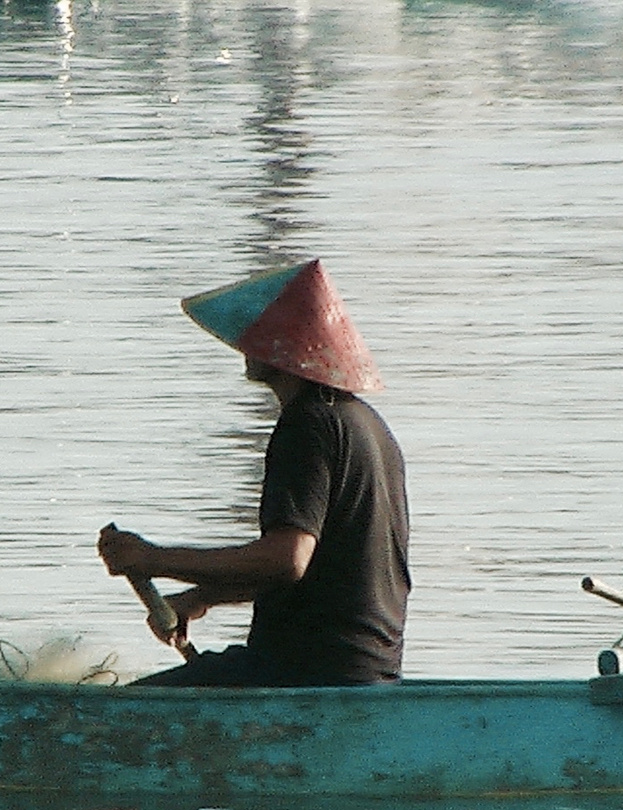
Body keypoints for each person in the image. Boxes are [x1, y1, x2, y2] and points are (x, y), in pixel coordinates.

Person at [97, 259, 410, 686]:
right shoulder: (369, 426)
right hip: (367, 670)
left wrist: (153, 558)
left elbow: (287, 560)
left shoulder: (307, 424)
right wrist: (202, 597)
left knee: (112, 721)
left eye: (261, 336)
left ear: (288, 346)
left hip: (306, 673)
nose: (246, 345)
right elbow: (323, 569)